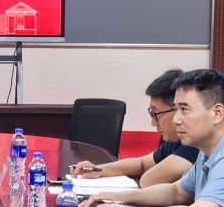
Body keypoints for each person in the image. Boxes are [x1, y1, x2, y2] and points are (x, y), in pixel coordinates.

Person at [95, 69, 224, 207]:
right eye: (176, 109)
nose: (176, 119)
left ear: (217, 113)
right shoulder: (207, 150)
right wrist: (118, 197)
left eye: (184, 110)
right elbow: (176, 192)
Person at [70, 68, 198, 185]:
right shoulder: (175, 140)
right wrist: (98, 170)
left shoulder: (194, 143)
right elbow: (141, 164)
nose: (153, 123)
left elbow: (149, 180)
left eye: (156, 114)